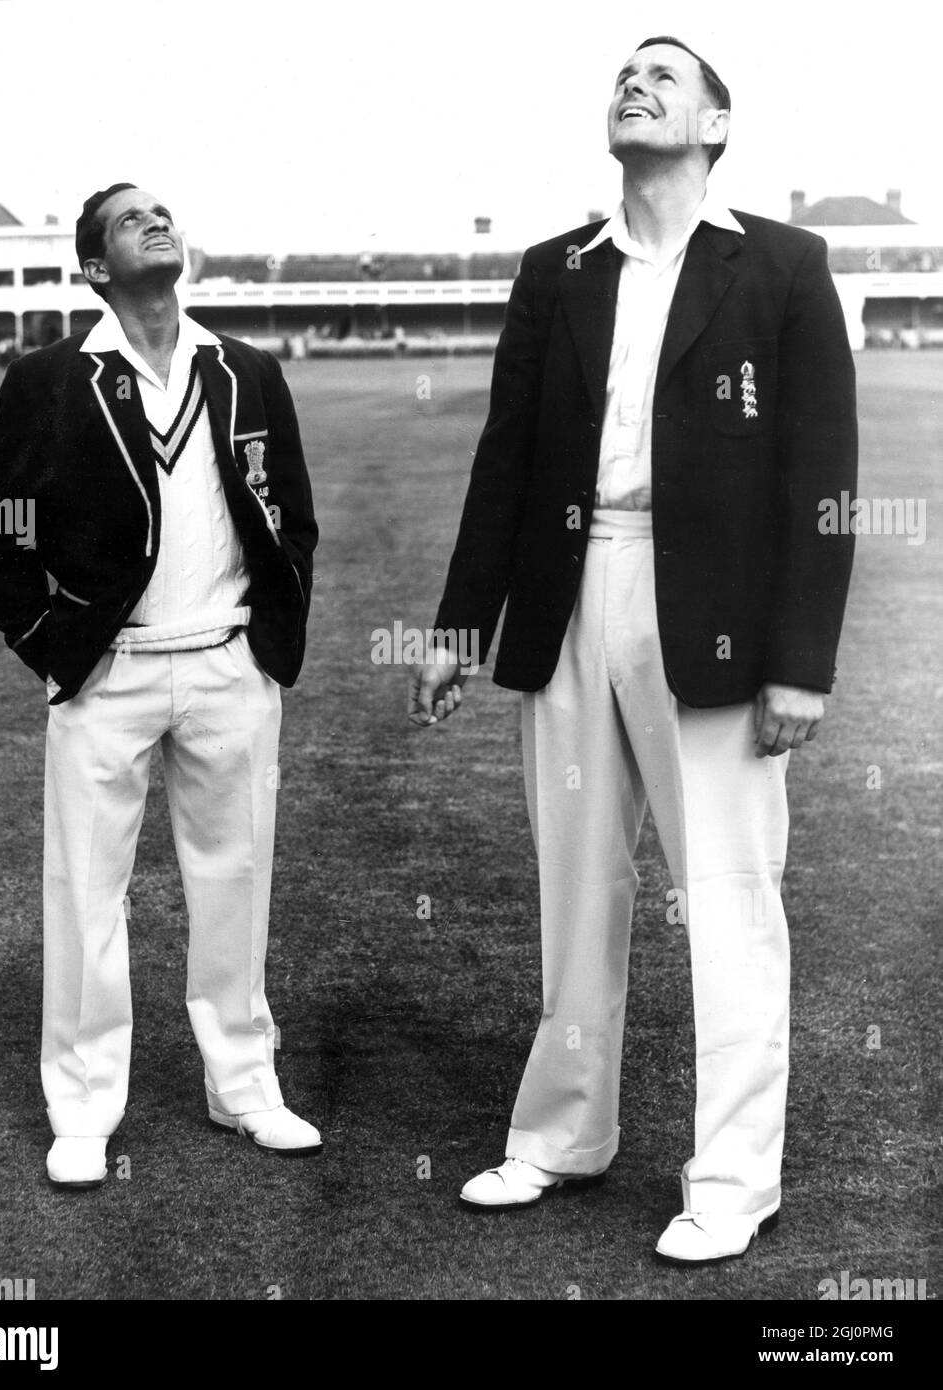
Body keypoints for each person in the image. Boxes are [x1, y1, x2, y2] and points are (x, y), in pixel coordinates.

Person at [409, 37, 857, 1264]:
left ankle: (729, 1180)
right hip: (569, 604)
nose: (634, 84)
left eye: (665, 76)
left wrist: (799, 661)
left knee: (726, 901)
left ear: (716, 125)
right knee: (578, 888)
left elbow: (822, 479)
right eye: (622, 74)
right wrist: (460, 624)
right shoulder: (555, 271)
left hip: (711, 618)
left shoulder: (781, 264)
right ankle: (559, 1138)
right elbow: (505, 456)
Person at [0, 184, 321, 1187]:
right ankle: (82, 1107)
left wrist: (271, 645)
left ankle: (245, 1085)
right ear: (93, 267)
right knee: (86, 892)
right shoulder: (47, 378)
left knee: (234, 881)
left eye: (164, 211)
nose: (156, 221)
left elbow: (290, 515)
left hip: (227, 664)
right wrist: (49, 641)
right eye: (132, 219)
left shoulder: (245, 369)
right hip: (105, 673)